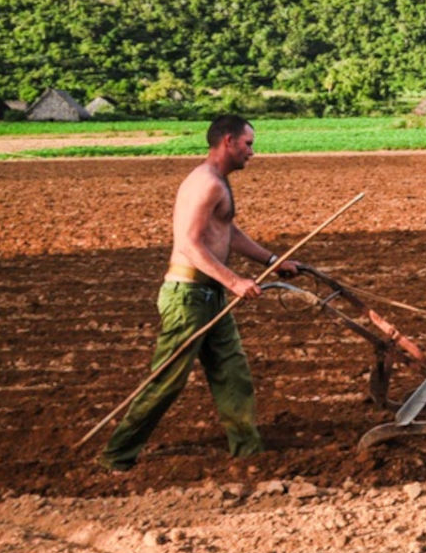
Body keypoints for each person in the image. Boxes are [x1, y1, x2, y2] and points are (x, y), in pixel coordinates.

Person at [99, 114, 300, 471]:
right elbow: (189, 245)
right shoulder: (205, 183)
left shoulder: (218, 182)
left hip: (210, 296)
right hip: (188, 296)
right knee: (167, 382)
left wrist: (272, 259)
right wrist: (235, 281)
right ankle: (118, 455)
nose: (252, 152)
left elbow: (228, 232)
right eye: (248, 144)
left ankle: (248, 453)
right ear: (228, 141)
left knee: (233, 373)